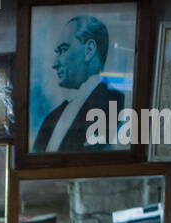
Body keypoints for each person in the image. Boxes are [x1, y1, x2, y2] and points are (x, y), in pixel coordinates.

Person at [33, 15, 124, 155]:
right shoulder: (51, 118)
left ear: (89, 50)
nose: (55, 64)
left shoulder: (117, 105)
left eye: (63, 50)